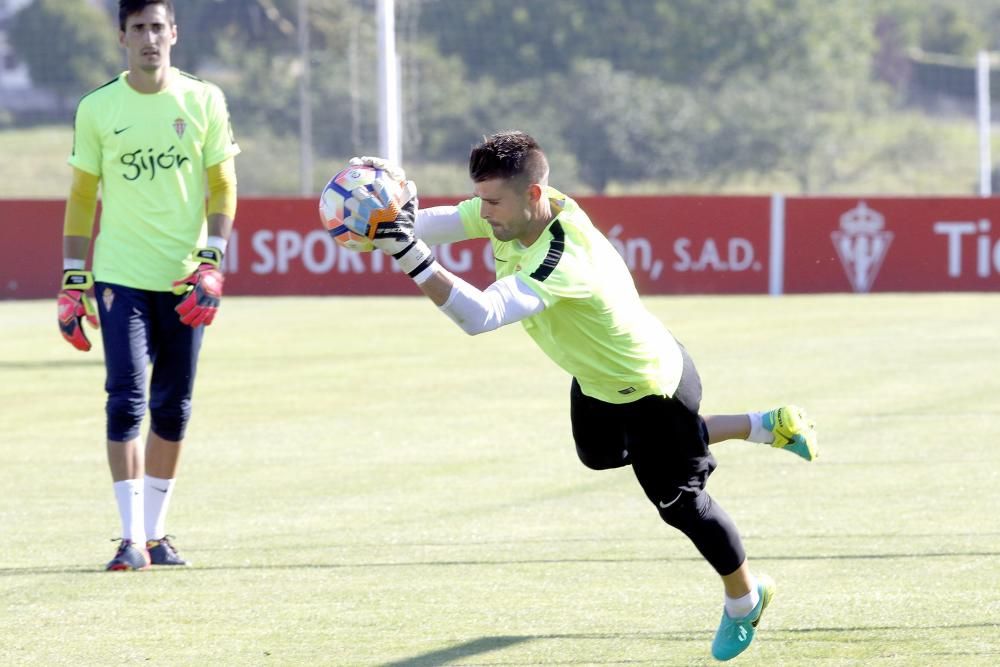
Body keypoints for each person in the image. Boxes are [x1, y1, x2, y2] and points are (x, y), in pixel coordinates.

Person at [343, 132, 817, 661]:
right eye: (482, 199)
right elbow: (444, 222)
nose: (484, 213)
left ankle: (745, 599)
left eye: (494, 202)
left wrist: (407, 254)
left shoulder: (563, 257)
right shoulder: (512, 209)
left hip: (650, 388)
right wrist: (387, 224)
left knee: (682, 505)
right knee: (601, 456)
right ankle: (762, 424)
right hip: (595, 380)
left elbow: (481, 317)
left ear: (534, 193)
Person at [57, 0, 239, 571]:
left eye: (158, 27)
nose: (149, 39)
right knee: (125, 400)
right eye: (139, 28)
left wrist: (213, 260)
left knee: (174, 407)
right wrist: (71, 279)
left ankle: (156, 536)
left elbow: (223, 184)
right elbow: (84, 196)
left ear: (174, 34)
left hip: (185, 276)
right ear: (122, 37)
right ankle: (128, 538)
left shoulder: (203, 99)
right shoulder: (97, 107)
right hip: (119, 276)